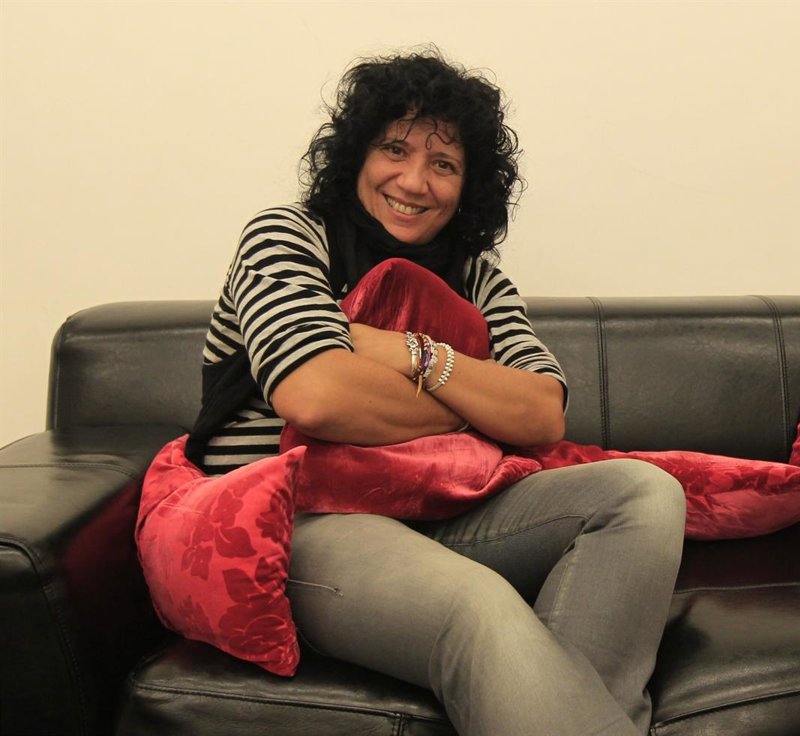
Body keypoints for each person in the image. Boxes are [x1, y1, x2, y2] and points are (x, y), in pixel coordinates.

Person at [185, 49, 686, 736]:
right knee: (476, 604)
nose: (415, 181)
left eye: (443, 164)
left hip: (446, 510)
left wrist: (413, 354)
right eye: (395, 149)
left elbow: (541, 412)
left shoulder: (478, 279)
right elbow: (317, 397)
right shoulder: (289, 236)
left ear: (467, 185)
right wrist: (474, 402)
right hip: (300, 517)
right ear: (356, 155)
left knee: (644, 492)